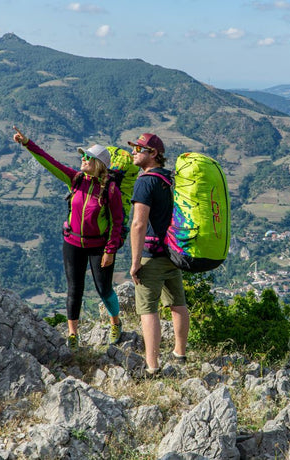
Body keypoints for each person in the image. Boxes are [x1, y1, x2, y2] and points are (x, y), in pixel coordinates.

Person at [12, 126, 124, 350]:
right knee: (74, 289)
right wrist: (27, 143)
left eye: (87, 157)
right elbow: (49, 162)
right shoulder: (76, 179)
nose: (82, 159)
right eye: (83, 156)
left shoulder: (111, 190)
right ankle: (73, 334)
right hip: (72, 243)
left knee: (104, 289)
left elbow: (117, 223)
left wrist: (110, 251)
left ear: (98, 164)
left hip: (98, 247)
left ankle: (116, 323)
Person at [128, 133, 189, 376]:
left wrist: (135, 262)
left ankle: (152, 366)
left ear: (153, 154)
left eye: (138, 148)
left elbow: (138, 224)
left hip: (151, 254)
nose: (133, 152)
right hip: (173, 252)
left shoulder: (145, 182)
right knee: (178, 303)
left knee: (148, 310)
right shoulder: (170, 179)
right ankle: (180, 353)